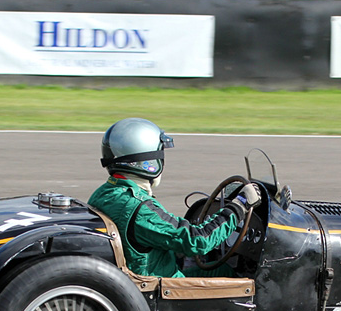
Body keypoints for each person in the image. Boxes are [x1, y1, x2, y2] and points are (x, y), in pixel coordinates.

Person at [88, 118, 261, 278]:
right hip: (160, 287)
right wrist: (239, 206)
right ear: (147, 161)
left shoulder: (104, 193)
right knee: (231, 275)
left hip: (144, 272)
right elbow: (198, 240)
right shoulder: (139, 208)